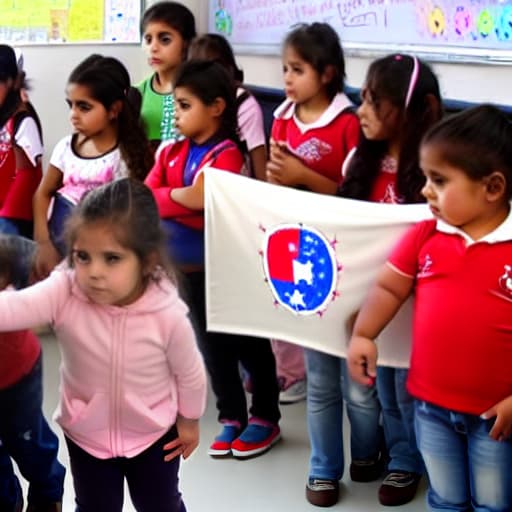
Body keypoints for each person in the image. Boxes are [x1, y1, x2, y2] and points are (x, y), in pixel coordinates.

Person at [0, 178, 208, 512]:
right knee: (95, 506)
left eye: (111, 258)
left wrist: (190, 420)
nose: (94, 271)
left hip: (154, 435)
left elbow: (190, 373)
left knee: (160, 504)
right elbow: (15, 307)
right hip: (87, 435)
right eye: (83, 256)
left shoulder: (167, 313)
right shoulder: (66, 289)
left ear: (148, 260)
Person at [347, 104, 512, 511]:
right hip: (430, 408)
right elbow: (388, 288)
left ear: (492, 188)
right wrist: (364, 334)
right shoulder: (426, 234)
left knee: (493, 504)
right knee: (444, 499)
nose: (424, 190)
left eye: (438, 180)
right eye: (425, 178)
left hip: (496, 417)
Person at [145, 59, 281, 459]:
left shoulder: (226, 154)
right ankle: (231, 415)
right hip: (187, 272)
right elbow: (148, 195)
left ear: (216, 107)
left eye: (185, 105)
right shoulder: (171, 151)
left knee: (248, 344)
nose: (178, 115)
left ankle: (265, 417)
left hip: (227, 269)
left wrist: (178, 198)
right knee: (211, 347)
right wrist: (181, 198)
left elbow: (207, 199)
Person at [264, 22, 370, 506]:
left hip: (349, 262)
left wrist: (303, 175)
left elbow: (354, 198)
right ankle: (324, 467)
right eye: (284, 69)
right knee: (320, 377)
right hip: (302, 262)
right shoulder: (282, 118)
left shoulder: (350, 123)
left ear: (327, 74)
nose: (286, 79)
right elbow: (275, 189)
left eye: (297, 69)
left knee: (359, 385)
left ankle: (370, 455)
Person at [338, 54, 442, 506]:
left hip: (421, 306)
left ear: (411, 107)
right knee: (380, 386)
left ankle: (409, 462)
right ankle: (399, 453)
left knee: (407, 393)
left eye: (374, 101)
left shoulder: (434, 174)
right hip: (374, 304)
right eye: (362, 97)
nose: (361, 110)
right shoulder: (360, 163)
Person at [32, 54, 153, 280]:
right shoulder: (66, 147)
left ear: (114, 109)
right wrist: (43, 243)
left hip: (99, 262)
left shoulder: (126, 157)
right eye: (71, 105)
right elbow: (42, 194)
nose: (73, 116)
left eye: (84, 107)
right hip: (58, 253)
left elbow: (130, 218)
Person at [0, 234, 65, 512]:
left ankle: (48, 494)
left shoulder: (12, 255)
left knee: (29, 442)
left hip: (17, 378)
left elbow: (35, 257)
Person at [188, 33, 267, 180]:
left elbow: (260, 167)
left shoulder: (243, 103)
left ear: (229, 70)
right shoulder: (189, 100)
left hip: (231, 187)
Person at [137, 1, 196, 152]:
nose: (153, 48)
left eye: (165, 40)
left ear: (186, 43)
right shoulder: (137, 93)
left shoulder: (198, 92)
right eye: (148, 40)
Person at [0, 45, 43, 238]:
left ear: (13, 82)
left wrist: (6, 216)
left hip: (12, 216)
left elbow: (28, 175)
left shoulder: (23, 119)